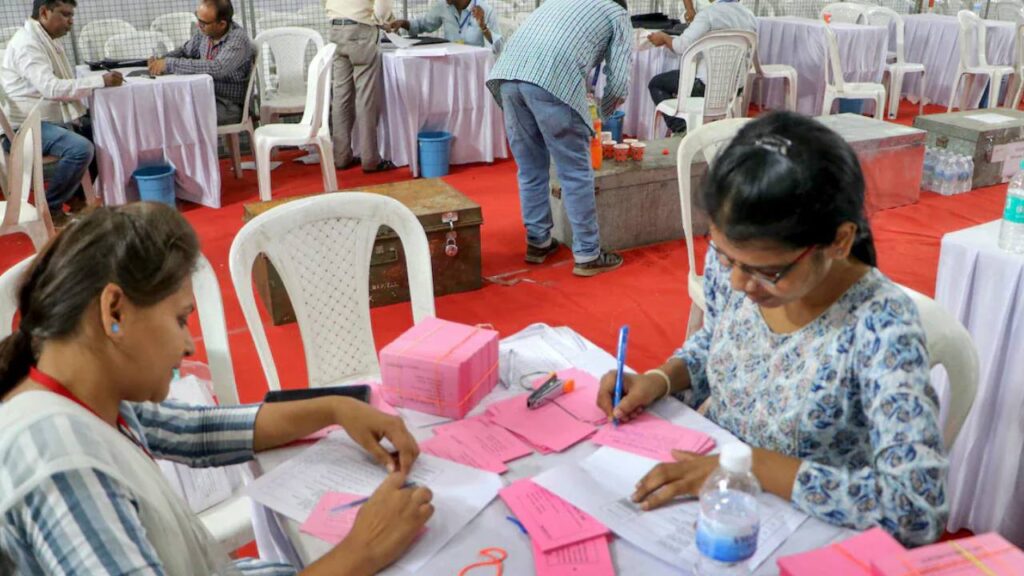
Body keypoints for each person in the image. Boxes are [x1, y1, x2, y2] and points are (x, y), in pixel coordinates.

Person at [0, 203, 433, 575]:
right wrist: (361, 551)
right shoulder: (60, 464)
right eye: (180, 319)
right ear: (114, 310)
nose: (189, 344)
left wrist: (337, 408)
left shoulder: (83, 394)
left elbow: (198, 430)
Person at [596, 112, 948, 546]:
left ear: (839, 241)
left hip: (807, 538)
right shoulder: (738, 263)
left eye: (768, 272)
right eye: (725, 257)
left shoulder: (882, 329)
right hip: (718, 502)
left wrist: (750, 467)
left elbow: (916, 510)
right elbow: (721, 339)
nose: (739, 284)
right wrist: (661, 379)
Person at [486, 0, 631, 277]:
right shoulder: (617, 13)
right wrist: (602, 113)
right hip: (552, 77)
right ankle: (588, 253)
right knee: (575, 170)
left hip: (507, 75)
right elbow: (620, 80)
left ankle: (538, 242)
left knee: (530, 167)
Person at [0, 0, 123, 227]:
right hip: (23, 129)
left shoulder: (44, 39)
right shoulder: (28, 45)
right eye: (65, 15)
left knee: (102, 130)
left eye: (71, 15)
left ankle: (78, 200)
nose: (71, 21)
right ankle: (51, 208)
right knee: (80, 148)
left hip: (44, 120)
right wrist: (100, 81)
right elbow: (52, 88)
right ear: (45, 12)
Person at [646, 0, 755, 134]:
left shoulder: (708, 14)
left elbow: (681, 46)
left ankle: (682, 129)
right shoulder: (750, 16)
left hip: (704, 87)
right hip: (735, 88)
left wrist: (663, 38)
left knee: (656, 84)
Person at [148, 0, 254, 126]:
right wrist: (161, 60)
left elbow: (218, 68)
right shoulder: (205, 32)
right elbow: (185, 51)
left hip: (229, 104)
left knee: (179, 119)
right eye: (198, 19)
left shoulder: (237, 39)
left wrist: (170, 64)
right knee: (166, 110)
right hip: (205, 95)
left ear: (222, 24)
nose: (198, 25)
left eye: (204, 23)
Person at [326, 0, 397, 173]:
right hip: (361, 30)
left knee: (341, 96)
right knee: (365, 97)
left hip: (336, 27)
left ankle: (341, 157)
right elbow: (382, 6)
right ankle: (370, 159)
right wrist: (384, 22)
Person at [388, 0, 503, 53]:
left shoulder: (485, 10)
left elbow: (498, 47)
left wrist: (483, 27)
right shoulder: (443, 7)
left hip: (475, 65)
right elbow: (423, 24)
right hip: (451, 64)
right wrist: (404, 23)